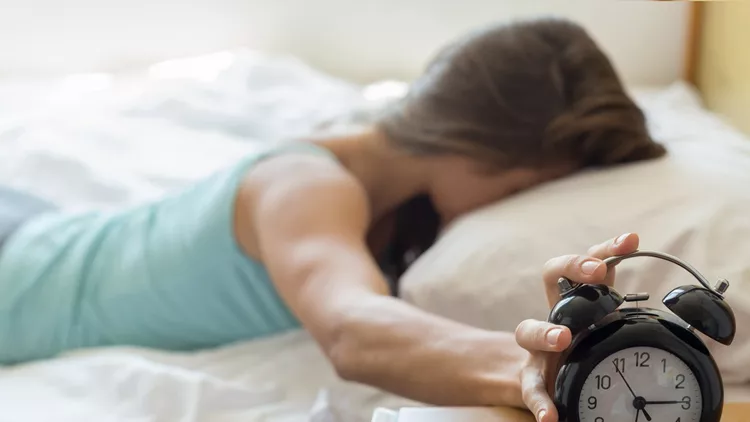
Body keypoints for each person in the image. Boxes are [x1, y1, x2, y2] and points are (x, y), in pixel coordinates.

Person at [0, 18, 664, 422]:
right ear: (482, 150)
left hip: (44, 231)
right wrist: (527, 364)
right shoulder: (306, 186)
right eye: (523, 188)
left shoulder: (380, 191)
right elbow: (352, 329)